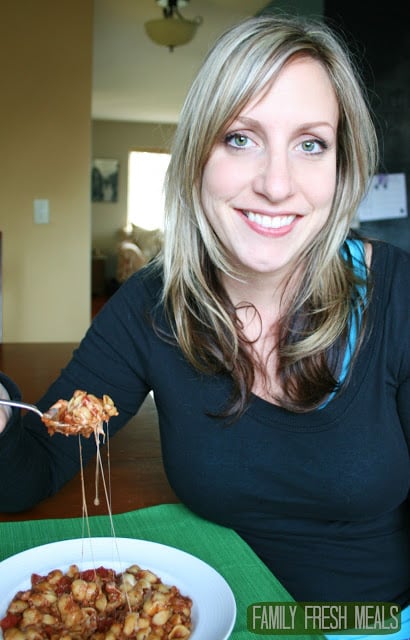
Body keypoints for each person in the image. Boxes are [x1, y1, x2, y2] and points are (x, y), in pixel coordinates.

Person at [0, 14, 409, 639]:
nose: (276, 184)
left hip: (370, 620)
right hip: (208, 614)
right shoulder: (149, 306)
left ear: (341, 165)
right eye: (241, 138)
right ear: (197, 157)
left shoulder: (400, 297)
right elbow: (31, 468)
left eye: (310, 143)